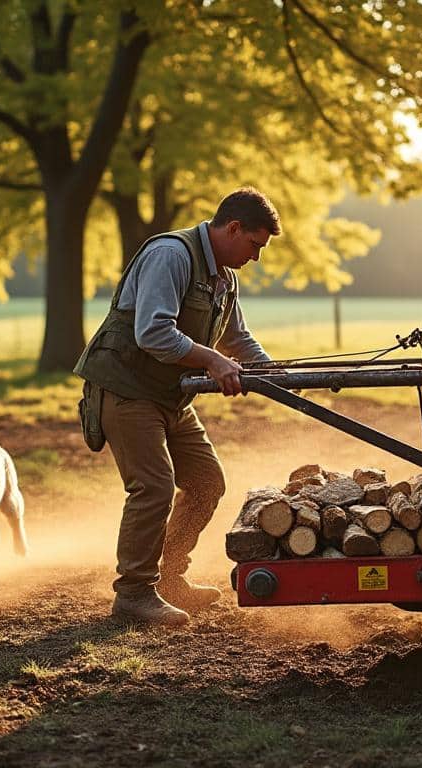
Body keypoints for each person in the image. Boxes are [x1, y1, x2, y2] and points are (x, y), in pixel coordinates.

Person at [74, 187, 279, 626]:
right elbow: (153, 332)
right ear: (233, 228)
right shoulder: (172, 255)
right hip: (126, 390)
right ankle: (133, 593)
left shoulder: (225, 275)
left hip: (170, 396)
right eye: (254, 245)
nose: (256, 257)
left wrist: (275, 373)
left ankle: (169, 579)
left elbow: (236, 339)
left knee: (207, 482)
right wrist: (211, 360)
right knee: (154, 488)